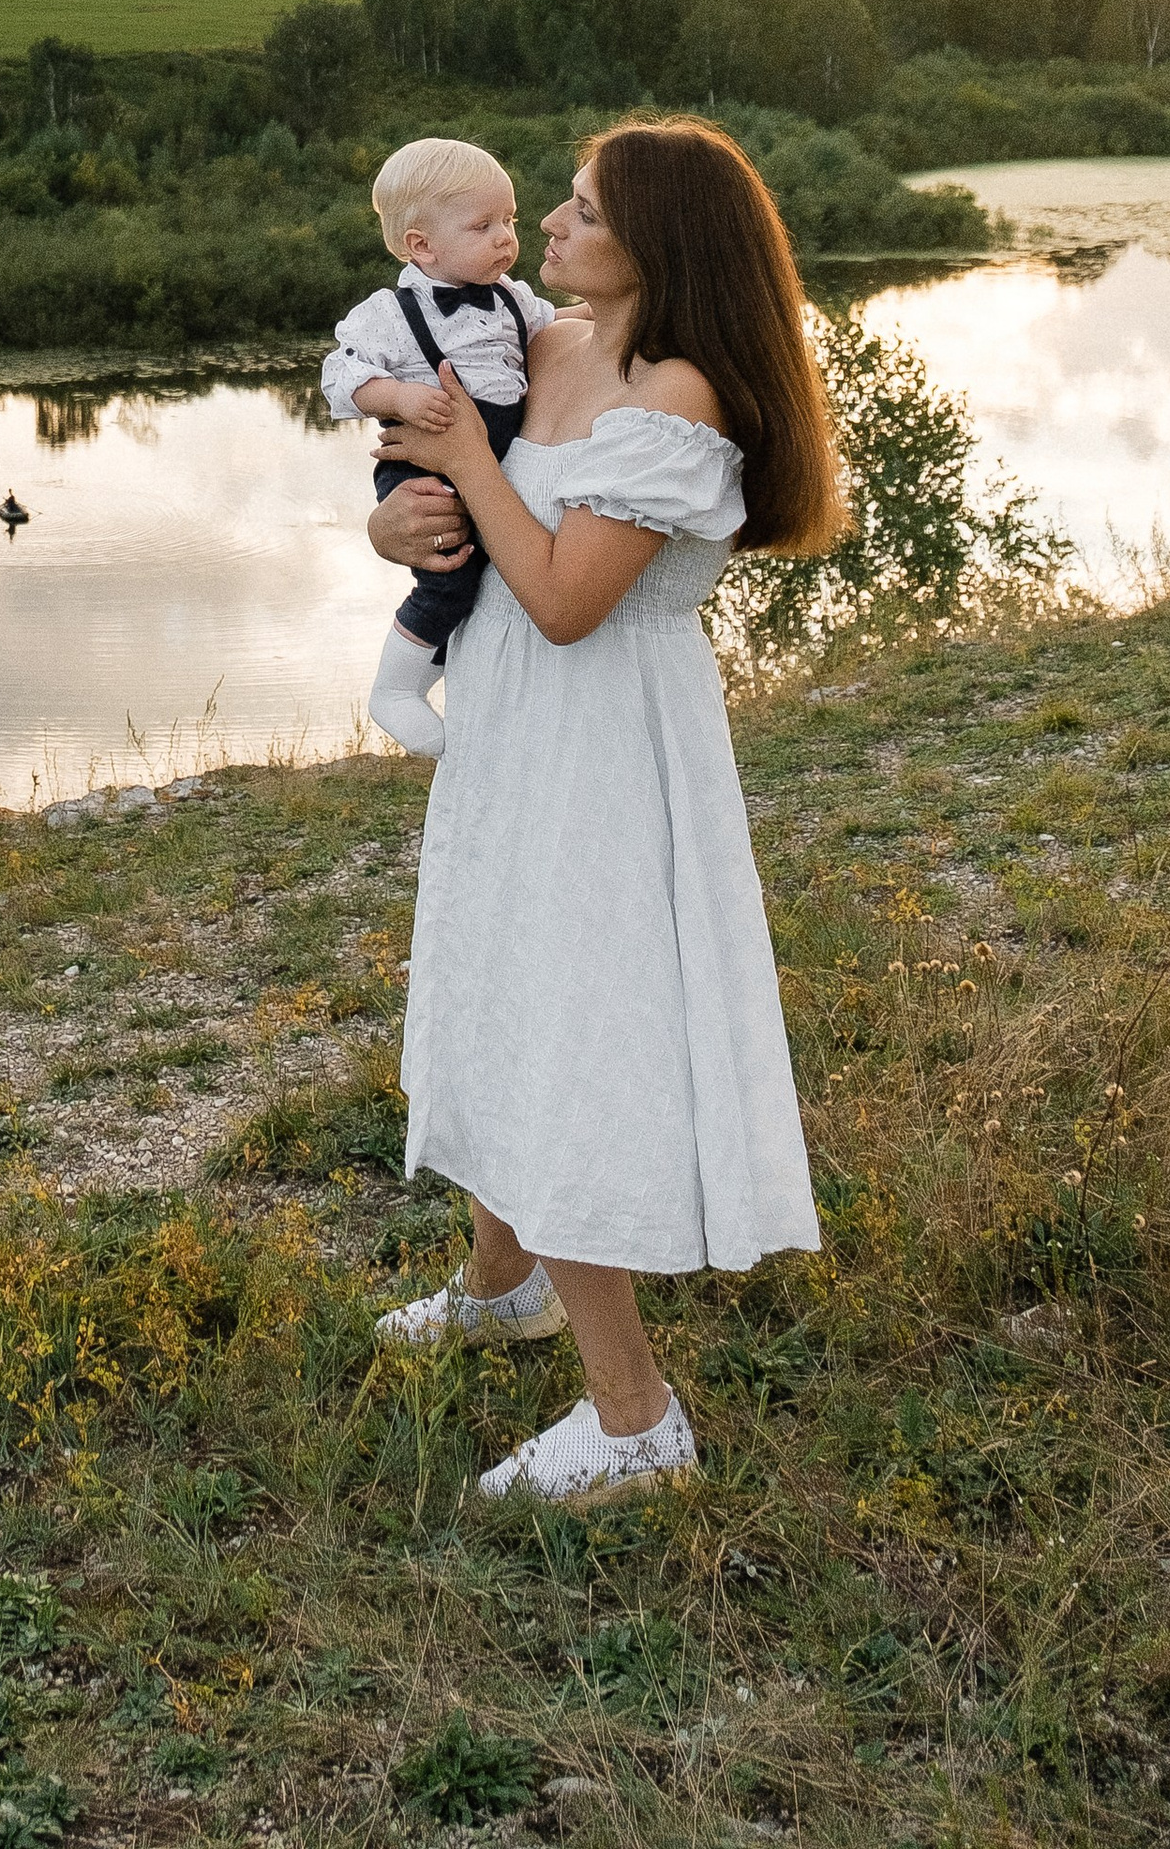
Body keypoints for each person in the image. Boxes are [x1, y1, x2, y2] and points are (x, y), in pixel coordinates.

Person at [366, 119, 840, 1507]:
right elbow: (452, 508)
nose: (552, 227)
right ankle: (501, 1285)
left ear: (660, 242)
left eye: (581, 210)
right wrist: (393, 525)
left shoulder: (679, 394)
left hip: (604, 739)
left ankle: (635, 1421)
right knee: (498, 985)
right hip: (513, 718)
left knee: (568, 1032)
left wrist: (469, 463)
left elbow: (569, 600)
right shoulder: (546, 341)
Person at [321, 136, 554, 759]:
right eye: (484, 226)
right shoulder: (389, 314)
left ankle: (468, 684)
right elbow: (340, 376)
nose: (506, 238)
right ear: (421, 245)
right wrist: (397, 396)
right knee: (449, 578)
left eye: (509, 220)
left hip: (489, 463)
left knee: (498, 572)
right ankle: (396, 689)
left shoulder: (513, 299)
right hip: (422, 469)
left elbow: (562, 328)